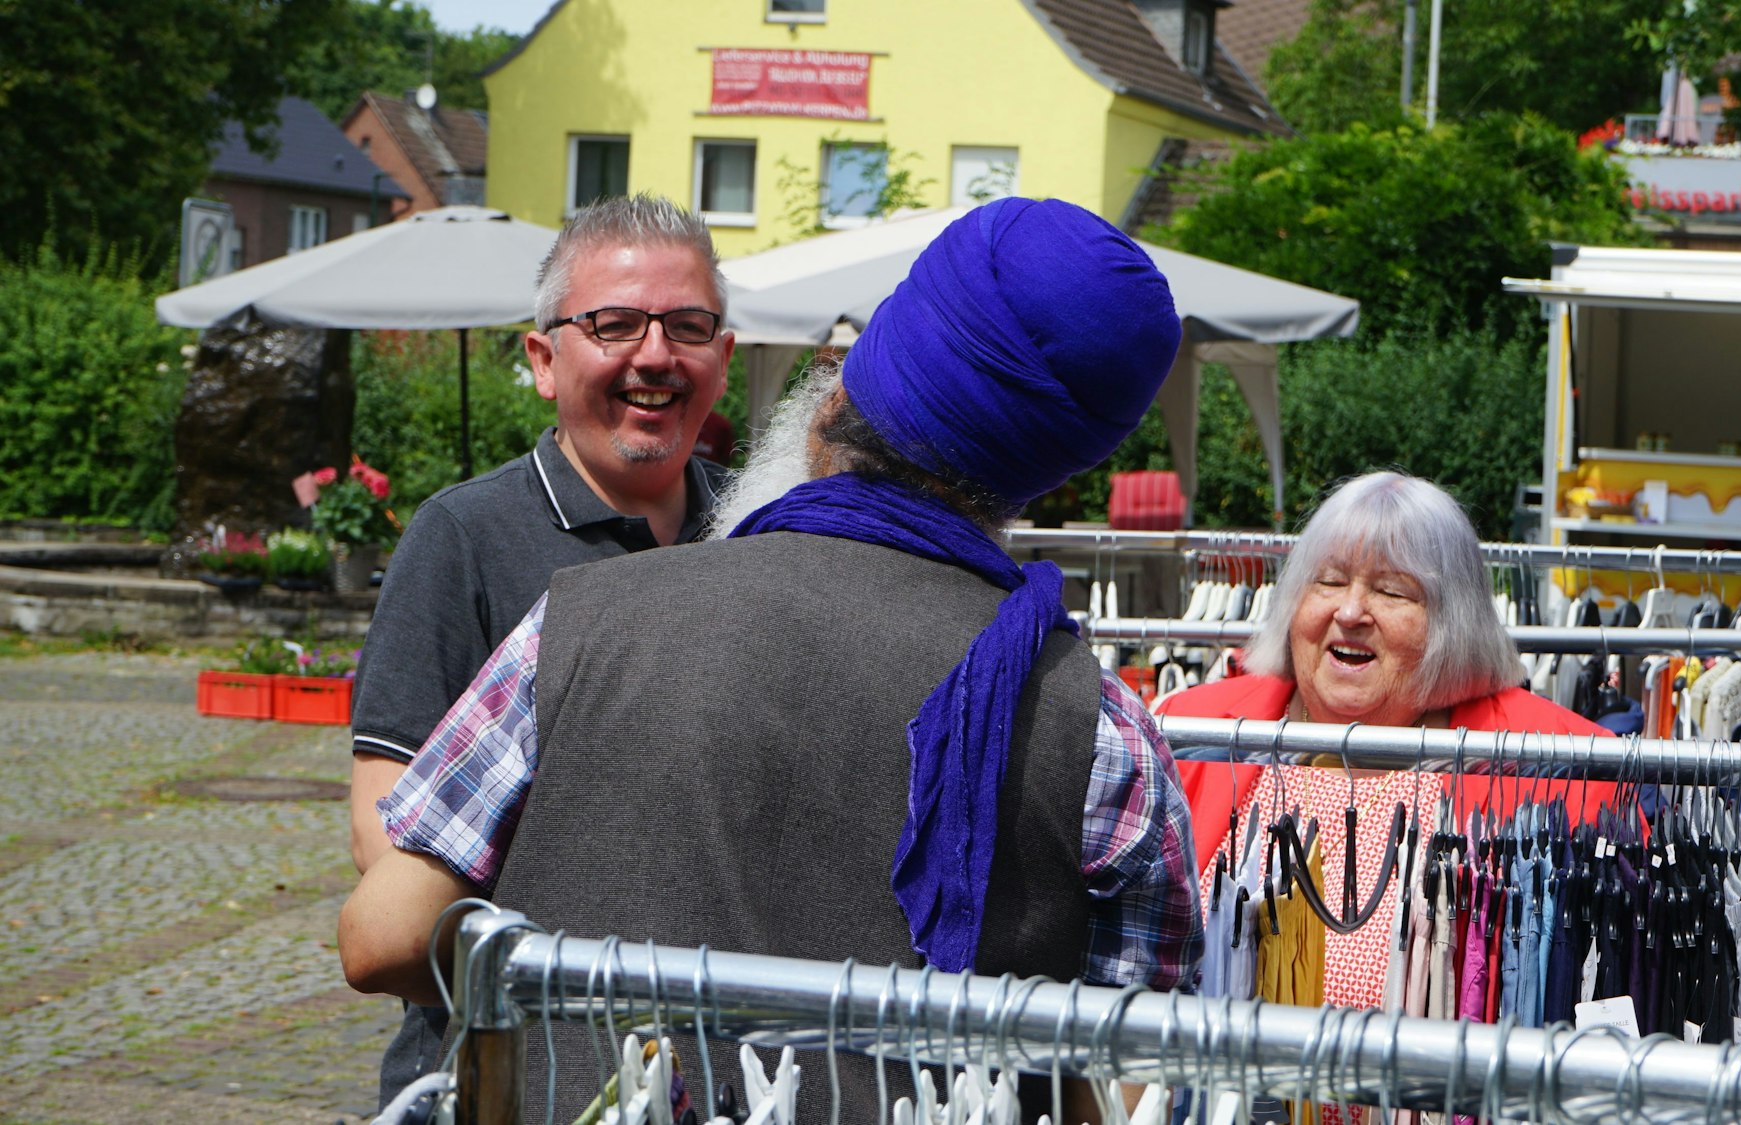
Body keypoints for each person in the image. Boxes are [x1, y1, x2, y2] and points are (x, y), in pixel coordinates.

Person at [339, 197, 1202, 1123]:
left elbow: (384, 935)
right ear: (1048, 476)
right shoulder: (1101, 727)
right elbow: (1134, 1090)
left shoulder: (584, 623)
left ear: (836, 397)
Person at [345, 193, 734, 1109]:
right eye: (613, 324)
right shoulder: (464, 536)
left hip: (713, 1065)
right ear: (542, 359)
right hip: (509, 1064)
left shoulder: (760, 531)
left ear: (722, 354)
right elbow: (383, 830)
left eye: (687, 325)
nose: (655, 355)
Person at [1154, 470, 1619, 1010]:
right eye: (1327, 582)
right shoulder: (1187, 732)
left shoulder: (1570, 770)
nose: (1349, 612)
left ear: (1453, 624)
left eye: (1391, 590)